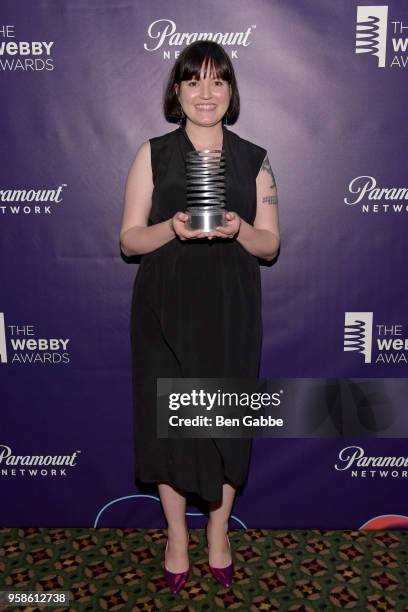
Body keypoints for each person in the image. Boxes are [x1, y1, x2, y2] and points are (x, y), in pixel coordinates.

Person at [120, 40, 280, 593]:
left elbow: (270, 244)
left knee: (226, 423)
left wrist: (239, 229)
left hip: (231, 307)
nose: (205, 93)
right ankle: (175, 538)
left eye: (217, 81)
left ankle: (218, 533)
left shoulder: (255, 158)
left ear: (231, 92)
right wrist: (172, 227)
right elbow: (129, 238)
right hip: (165, 306)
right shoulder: (153, 153)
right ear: (177, 91)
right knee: (168, 425)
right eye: (194, 82)